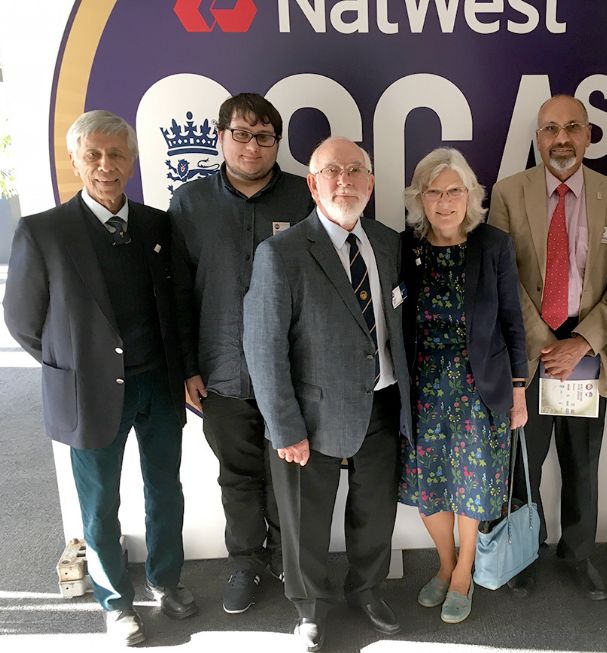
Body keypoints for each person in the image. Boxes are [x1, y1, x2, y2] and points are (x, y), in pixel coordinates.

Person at [4, 110, 195, 646]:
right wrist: (74, 363)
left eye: (116, 154)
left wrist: (184, 369)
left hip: (158, 386)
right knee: (100, 504)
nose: (106, 165)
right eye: (94, 155)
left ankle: (167, 581)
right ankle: (116, 603)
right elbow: (21, 320)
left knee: (166, 491)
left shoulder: (158, 225)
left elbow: (177, 304)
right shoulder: (44, 231)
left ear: (132, 161)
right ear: (75, 160)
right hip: (88, 393)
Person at [242, 137, 412, 651]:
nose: (345, 180)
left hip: (383, 403)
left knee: (375, 510)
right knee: (304, 518)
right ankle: (308, 608)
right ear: (313, 185)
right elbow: (263, 347)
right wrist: (285, 426)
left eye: (355, 170)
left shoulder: (387, 242)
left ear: (371, 182)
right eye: (331, 171)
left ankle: (367, 589)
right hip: (310, 415)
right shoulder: (281, 254)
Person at [170, 93, 314, 614]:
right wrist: (187, 365)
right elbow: (178, 293)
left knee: (290, 472)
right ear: (220, 136)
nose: (252, 146)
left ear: (277, 143)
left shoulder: (305, 198)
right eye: (241, 134)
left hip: (294, 374)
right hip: (221, 373)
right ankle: (246, 562)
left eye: (264, 136)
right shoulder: (189, 204)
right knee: (238, 475)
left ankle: (287, 559)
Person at [489, 95, 607, 599]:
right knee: (523, 463)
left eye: (573, 127)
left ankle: (578, 555)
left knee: (582, 464)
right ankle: (525, 553)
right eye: (551, 129)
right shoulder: (508, 194)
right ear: (538, 137)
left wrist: (582, 342)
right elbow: (502, 279)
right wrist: (549, 345)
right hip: (529, 354)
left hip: (587, 352)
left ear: (589, 134)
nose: (562, 139)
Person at [398, 148, 528, 623]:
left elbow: (513, 321)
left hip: (480, 387)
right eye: (434, 191)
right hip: (423, 388)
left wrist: (518, 388)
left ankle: (464, 571)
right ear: (420, 198)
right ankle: (446, 564)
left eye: (454, 190)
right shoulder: (405, 248)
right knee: (429, 484)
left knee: (472, 485)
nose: (445, 200)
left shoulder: (492, 244)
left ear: (470, 196)